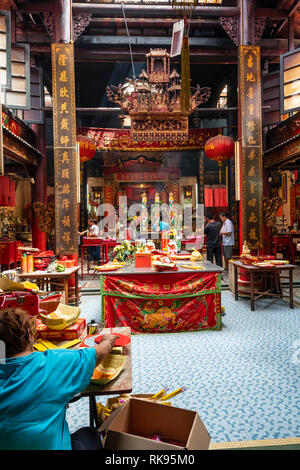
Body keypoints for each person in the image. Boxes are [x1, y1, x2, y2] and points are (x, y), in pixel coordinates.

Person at [0, 308, 117, 450]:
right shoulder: (53, 363)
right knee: (90, 434)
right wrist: (108, 341)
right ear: (29, 335)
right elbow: (97, 354)